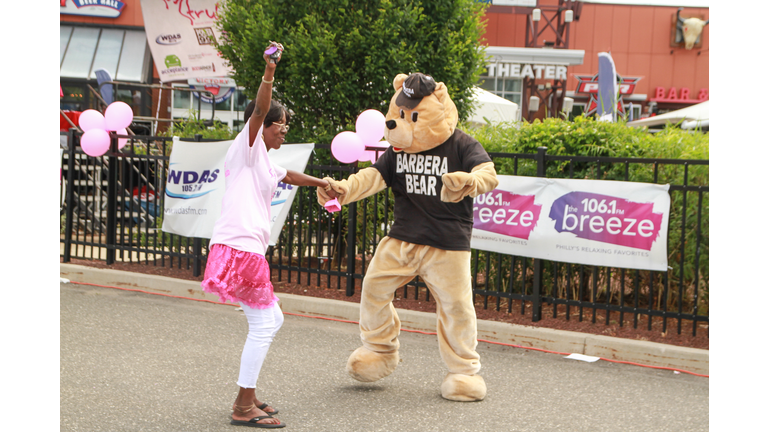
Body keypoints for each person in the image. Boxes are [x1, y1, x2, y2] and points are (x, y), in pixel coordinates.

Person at [201, 41, 332, 429]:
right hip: (239, 248)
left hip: (244, 249)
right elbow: (259, 109)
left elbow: (288, 175)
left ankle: (249, 394)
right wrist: (270, 72)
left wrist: (322, 181)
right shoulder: (247, 146)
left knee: (271, 320)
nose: (284, 131)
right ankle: (243, 406)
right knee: (264, 325)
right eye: (282, 126)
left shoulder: (265, 161)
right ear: (264, 127)